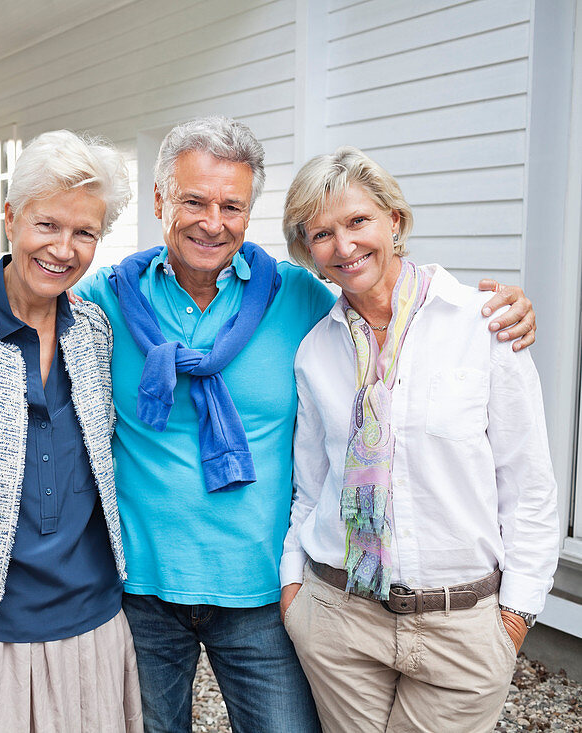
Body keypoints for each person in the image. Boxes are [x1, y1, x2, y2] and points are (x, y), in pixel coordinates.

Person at [70, 116, 537, 732]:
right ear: (159, 200)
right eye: (193, 200)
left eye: (231, 205)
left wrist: (501, 310)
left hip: (263, 593)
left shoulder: (298, 300)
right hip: (142, 590)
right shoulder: (104, 297)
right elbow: (28, 306)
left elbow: (383, 296)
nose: (213, 221)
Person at [278, 146, 559, 733]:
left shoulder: (484, 325)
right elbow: (309, 488)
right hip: (339, 617)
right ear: (310, 253)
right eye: (323, 233)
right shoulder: (316, 351)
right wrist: (294, 593)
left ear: (395, 221)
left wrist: (514, 618)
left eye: (358, 221)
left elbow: (527, 486)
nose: (345, 245)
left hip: (461, 623)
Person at [0, 130, 143, 732]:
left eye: (85, 232)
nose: (64, 248)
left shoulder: (94, 332)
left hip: (92, 618)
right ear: (10, 218)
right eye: (47, 225)